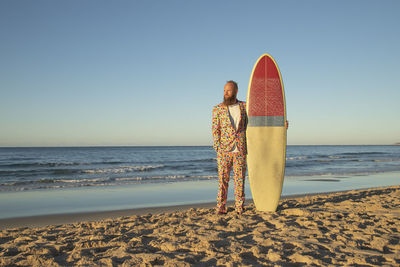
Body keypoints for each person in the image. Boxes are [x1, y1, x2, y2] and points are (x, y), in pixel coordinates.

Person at [212, 81, 248, 215]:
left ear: (236, 91)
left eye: (228, 91)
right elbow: (215, 129)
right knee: (223, 180)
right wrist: (218, 147)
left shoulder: (244, 106)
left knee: (239, 181)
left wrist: (281, 123)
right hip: (224, 150)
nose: (225, 93)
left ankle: (240, 208)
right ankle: (221, 208)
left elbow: (259, 121)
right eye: (224, 90)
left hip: (240, 149)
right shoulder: (218, 108)